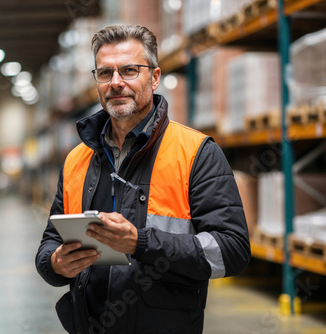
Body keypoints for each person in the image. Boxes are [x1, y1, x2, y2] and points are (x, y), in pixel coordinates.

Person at [36, 24, 251, 334]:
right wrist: (56, 264)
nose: (116, 83)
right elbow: (50, 243)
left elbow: (231, 251)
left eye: (129, 70)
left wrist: (141, 243)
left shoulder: (196, 153)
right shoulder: (76, 160)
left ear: (155, 77)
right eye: (105, 73)